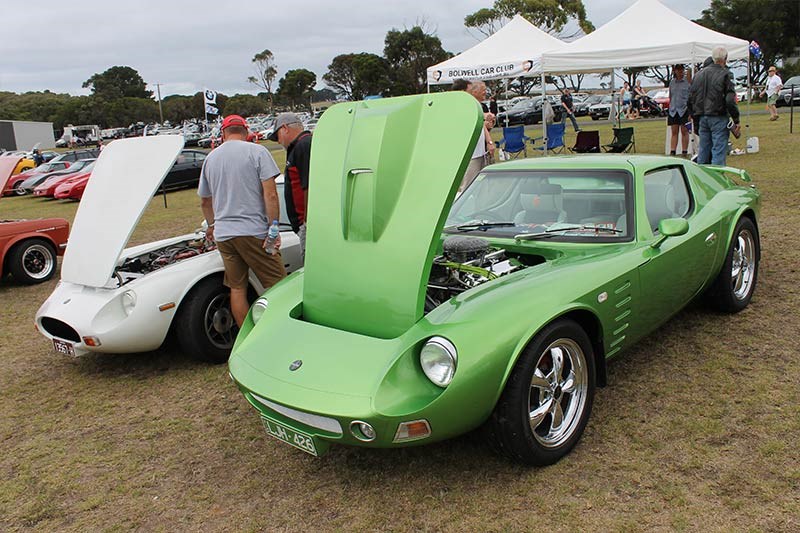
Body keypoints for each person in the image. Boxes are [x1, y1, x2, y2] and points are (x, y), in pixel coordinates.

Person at [198, 114, 286, 327]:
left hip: (224, 235)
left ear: (224, 133)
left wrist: (211, 225)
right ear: (246, 131)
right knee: (281, 285)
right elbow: (271, 194)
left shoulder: (211, 158)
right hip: (253, 231)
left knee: (237, 288)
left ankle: (246, 336)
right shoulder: (257, 152)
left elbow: (205, 202)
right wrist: (273, 229)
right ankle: (283, 331)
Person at [268, 112, 311, 261]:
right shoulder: (297, 147)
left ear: (285, 128)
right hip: (302, 225)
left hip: (307, 225)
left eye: (278, 136)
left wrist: (307, 223)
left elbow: (308, 185)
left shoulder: (303, 145)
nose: (278, 141)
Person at [688, 46, 740, 166]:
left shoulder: (698, 75)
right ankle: (717, 179)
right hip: (718, 116)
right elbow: (730, 100)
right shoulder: (725, 74)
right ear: (725, 59)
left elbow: (691, 99)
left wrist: (695, 118)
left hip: (702, 117)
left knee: (703, 151)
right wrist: (736, 119)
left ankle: (702, 178)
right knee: (718, 150)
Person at [458, 80, 495, 192]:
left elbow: (482, 126)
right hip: (471, 154)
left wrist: (489, 142)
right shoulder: (464, 105)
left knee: (482, 185)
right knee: (468, 186)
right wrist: (485, 116)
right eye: (483, 90)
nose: (485, 92)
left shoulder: (480, 106)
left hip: (481, 152)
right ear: (474, 92)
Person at [668, 64, 692, 156]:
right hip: (673, 109)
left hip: (684, 109)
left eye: (681, 70)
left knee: (684, 131)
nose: (680, 72)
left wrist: (690, 112)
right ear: (675, 71)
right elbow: (670, 96)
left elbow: (690, 97)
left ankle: (684, 151)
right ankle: (673, 151)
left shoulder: (687, 82)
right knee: (674, 131)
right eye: (678, 70)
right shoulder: (672, 83)